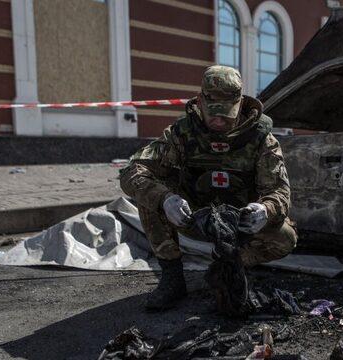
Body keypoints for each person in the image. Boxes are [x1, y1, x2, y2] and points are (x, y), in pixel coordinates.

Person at [120, 65, 296, 310]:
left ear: (240, 104)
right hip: (193, 218)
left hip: (241, 224)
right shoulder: (180, 135)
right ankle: (172, 279)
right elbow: (132, 172)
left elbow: (280, 191)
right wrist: (165, 200)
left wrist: (265, 210)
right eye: (212, 112)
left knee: (285, 238)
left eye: (226, 113)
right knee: (150, 196)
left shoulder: (261, 139)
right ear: (200, 101)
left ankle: (231, 263)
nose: (218, 120)